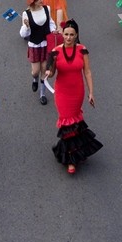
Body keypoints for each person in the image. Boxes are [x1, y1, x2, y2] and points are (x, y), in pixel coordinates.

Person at [44, 19, 102, 174]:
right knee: (66, 123)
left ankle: (77, 151)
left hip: (77, 92)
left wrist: (91, 92)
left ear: (76, 36)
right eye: (66, 34)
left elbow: (87, 72)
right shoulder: (56, 51)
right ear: (62, 34)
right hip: (62, 92)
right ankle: (71, 160)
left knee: (75, 121)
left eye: (72, 35)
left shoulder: (82, 50)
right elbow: (52, 71)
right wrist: (49, 71)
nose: (68, 38)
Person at [20, 0, 56, 105]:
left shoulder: (47, 9)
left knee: (44, 70)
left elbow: (51, 23)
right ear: (33, 1)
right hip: (35, 45)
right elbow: (23, 34)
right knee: (35, 71)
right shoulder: (26, 14)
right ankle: (34, 79)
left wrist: (53, 30)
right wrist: (26, 26)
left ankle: (42, 94)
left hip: (46, 44)